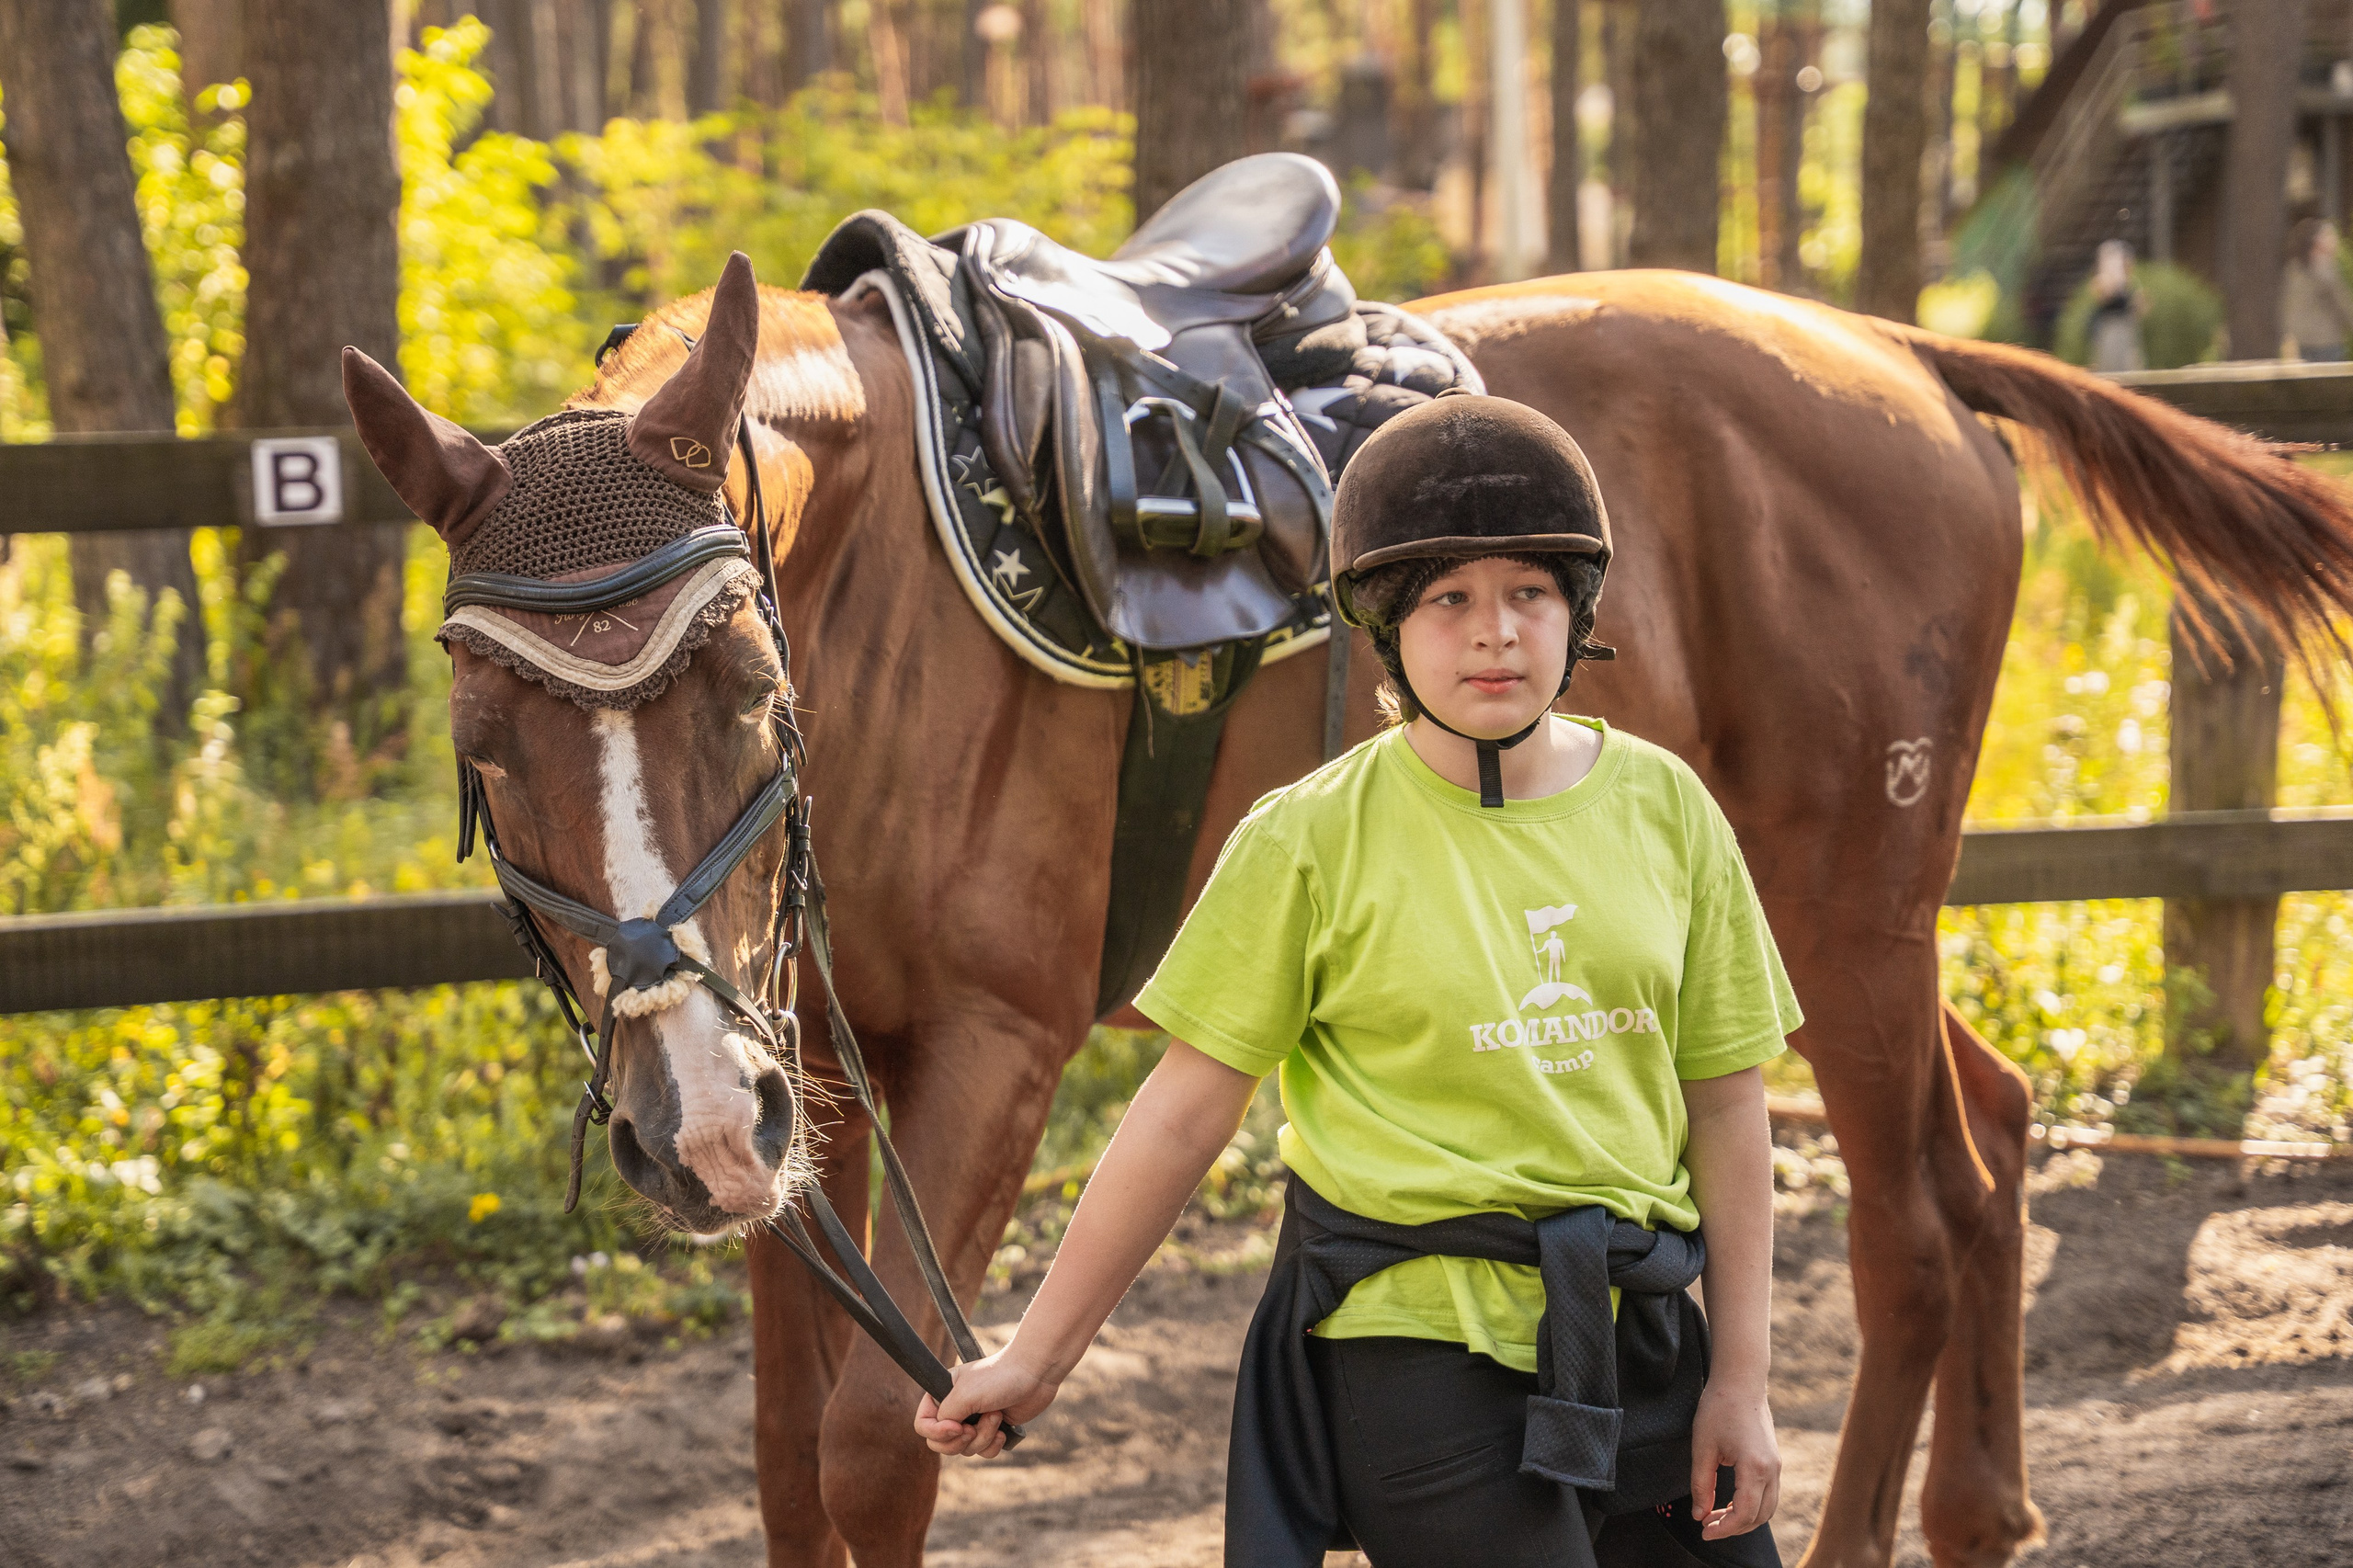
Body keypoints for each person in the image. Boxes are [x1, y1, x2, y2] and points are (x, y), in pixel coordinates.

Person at [915, 394, 1802, 1568]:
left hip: (1638, 1331)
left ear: (1574, 611)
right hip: (1415, 1348)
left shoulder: (1668, 808)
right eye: (1450, 600)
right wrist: (1039, 1351)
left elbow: (1728, 1102)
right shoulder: (1307, 839)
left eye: (1527, 593)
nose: (1496, 633)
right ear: (1387, 628)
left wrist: (1738, 1380)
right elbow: (1183, 1111)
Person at [2282, 217, 2353, 362]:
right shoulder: (2325, 270)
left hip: (2301, 341)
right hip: (2326, 343)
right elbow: (2344, 307)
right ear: (2318, 241)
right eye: (2329, 236)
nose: (2335, 241)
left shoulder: (2294, 270)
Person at [2086, 239, 2146, 374]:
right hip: (2110, 329)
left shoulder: (2131, 283)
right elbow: (2103, 296)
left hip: (2125, 330)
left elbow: (2137, 310)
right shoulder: (2102, 281)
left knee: (2130, 365)